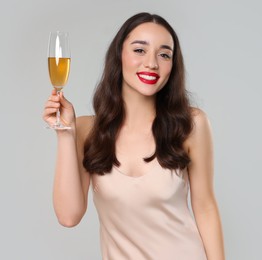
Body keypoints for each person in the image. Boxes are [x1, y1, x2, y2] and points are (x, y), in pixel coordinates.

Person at [43, 12, 225, 260]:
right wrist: (65, 133)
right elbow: (68, 216)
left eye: (164, 55)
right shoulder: (87, 131)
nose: (152, 63)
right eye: (140, 50)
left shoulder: (191, 124)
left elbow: (205, 208)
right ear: (119, 55)